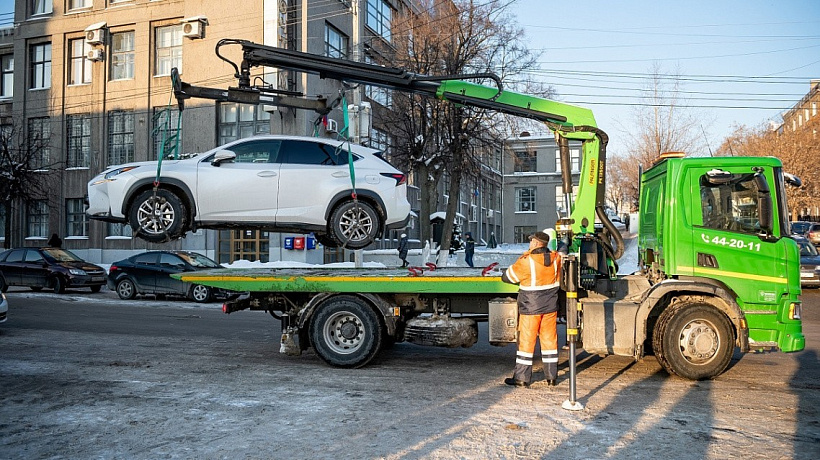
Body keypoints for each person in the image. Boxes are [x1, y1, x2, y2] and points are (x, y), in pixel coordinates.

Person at [501, 229, 562, 388]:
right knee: (549, 341)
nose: (529, 244)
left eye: (530, 241)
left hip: (531, 308)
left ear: (535, 243)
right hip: (550, 307)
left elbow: (508, 277)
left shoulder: (526, 261)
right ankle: (551, 377)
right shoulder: (556, 258)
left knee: (526, 343)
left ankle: (522, 378)